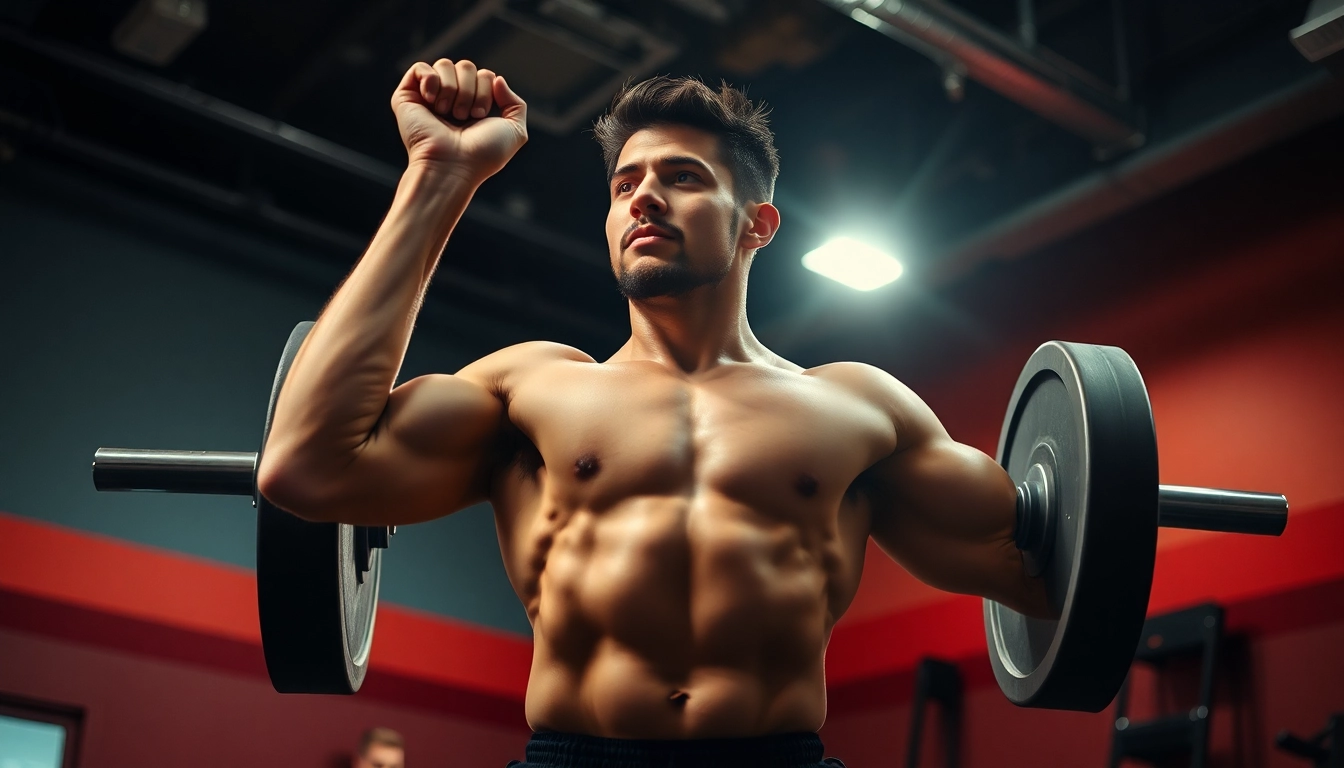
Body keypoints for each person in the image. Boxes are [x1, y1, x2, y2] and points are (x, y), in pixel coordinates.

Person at [257, 60, 1054, 767]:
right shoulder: (530, 389)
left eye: (682, 177)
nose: (643, 198)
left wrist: (1077, 514)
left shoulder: (858, 408)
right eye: (624, 183)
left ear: (756, 224)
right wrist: (438, 177)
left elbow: (1048, 574)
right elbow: (306, 467)